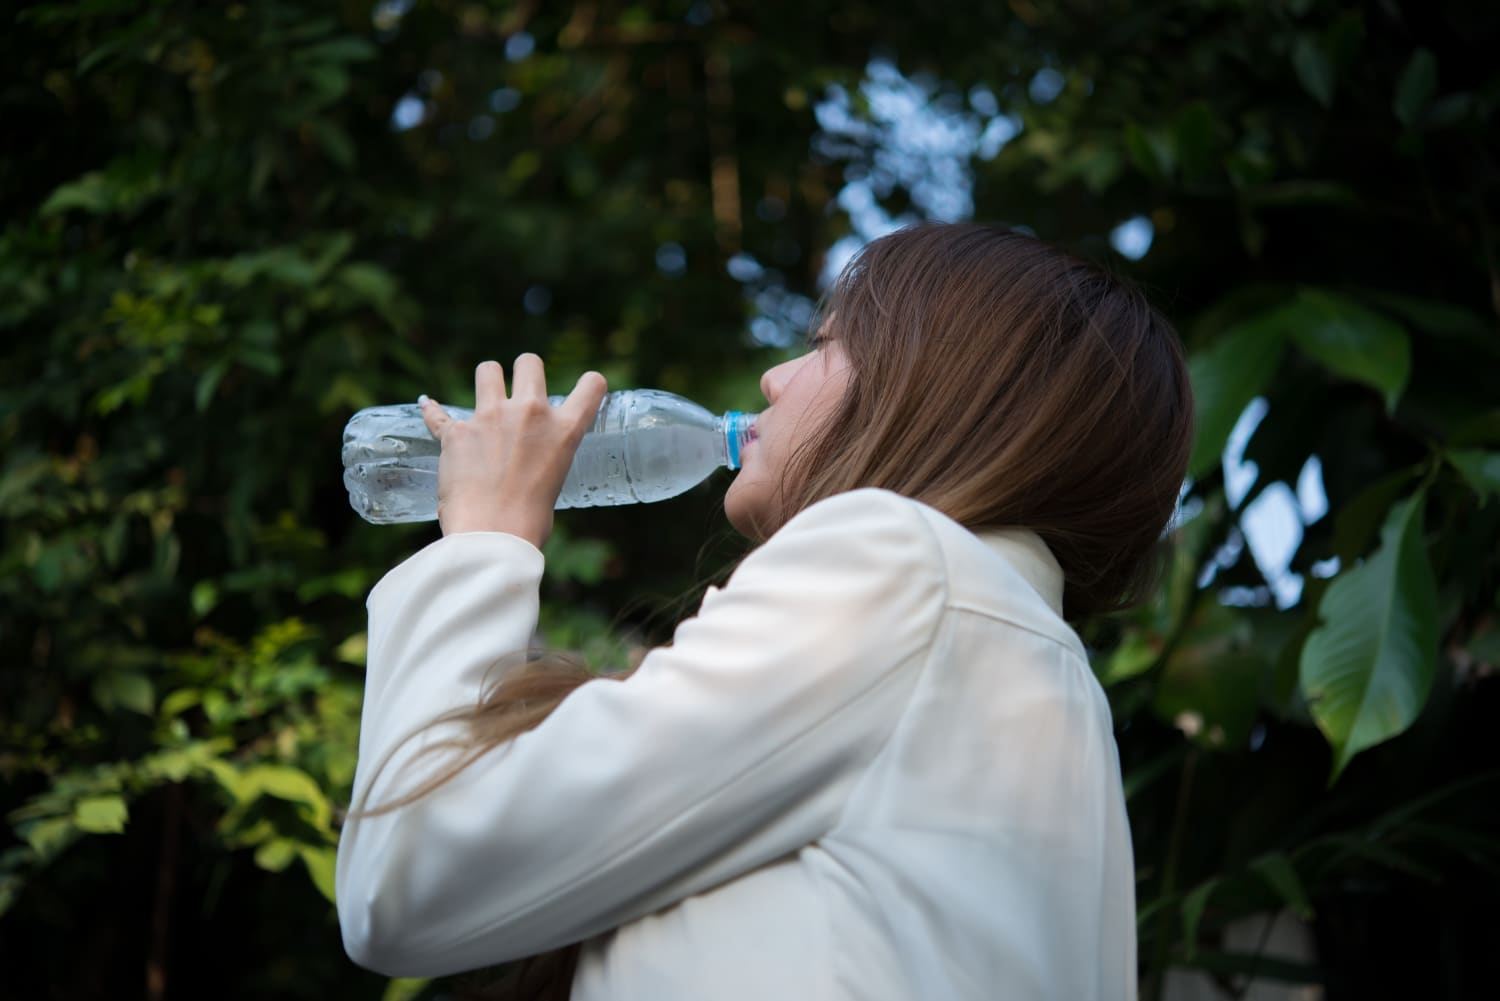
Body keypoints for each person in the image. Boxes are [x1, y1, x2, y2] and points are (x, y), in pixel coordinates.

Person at [334, 222, 1195, 1001]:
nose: (774, 378)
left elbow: (408, 878)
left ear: (943, 387)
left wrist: (481, 543)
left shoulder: (898, 561)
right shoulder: (1046, 679)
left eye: (824, 344)